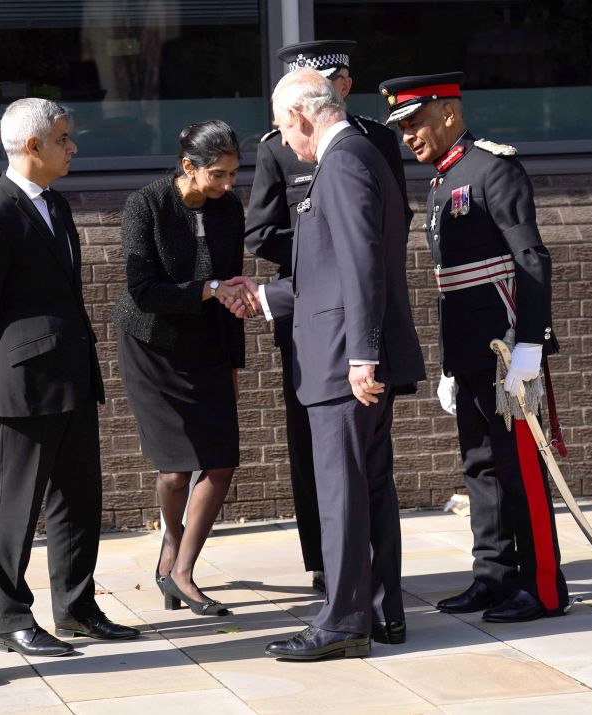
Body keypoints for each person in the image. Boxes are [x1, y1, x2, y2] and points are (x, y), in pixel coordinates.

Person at [226, 68, 426, 660]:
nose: (284, 144)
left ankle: (342, 620)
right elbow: (331, 270)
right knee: (370, 486)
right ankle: (383, 612)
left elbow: (363, 263)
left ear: (302, 119)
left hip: (345, 358)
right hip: (351, 347)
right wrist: (265, 296)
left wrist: (361, 352)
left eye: (283, 130)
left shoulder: (340, 162)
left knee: (342, 492)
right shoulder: (361, 155)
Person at [379, 72, 568, 622]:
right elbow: (453, 285)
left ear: (448, 114)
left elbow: (530, 259)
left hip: (508, 349)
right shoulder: (441, 182)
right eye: (402, 127)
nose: (409, 136)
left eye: (415, 122)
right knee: (480, 466)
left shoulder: (493, 167)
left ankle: (542, 587)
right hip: (469, 354)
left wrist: (531, 344)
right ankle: (494, 576)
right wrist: (448, 366)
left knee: (521, 469)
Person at [0, 98, 140, 658]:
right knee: (16, 505)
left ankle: (76, 607)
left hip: (72, 374)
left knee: (78, 500)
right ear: (33, 147)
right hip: (24, 382)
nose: (73, 147)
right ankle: (12, 618)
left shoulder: (57, 205)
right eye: (65, 139)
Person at [112, 120, 253, 616]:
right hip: (153, 345)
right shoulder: (146, 204)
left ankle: (182, 571)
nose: (227, 185)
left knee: (220, 461)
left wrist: (235, 361)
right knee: (174, 471)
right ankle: (170, 548)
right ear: (188, 167)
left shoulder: (229, 208)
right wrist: (209, 290)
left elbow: (232, 284)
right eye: (218, 175)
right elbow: (142, 291)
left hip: (209, 345)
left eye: (234, 174)